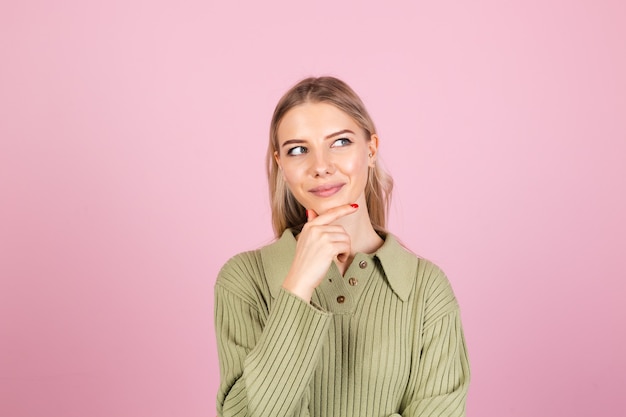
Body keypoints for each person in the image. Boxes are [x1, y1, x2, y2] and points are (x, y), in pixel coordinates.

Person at [214, 76, 470, 417]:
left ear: (371, 149)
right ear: (281, 163)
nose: (321, 166)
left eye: (340, 142)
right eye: (298, 150)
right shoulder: (244, 280)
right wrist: (298, 286)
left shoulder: (426, 288)